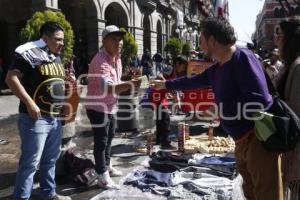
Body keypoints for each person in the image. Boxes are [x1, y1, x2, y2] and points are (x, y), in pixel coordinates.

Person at [151, 17, 283, 200]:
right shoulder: (217, 68)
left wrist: (219, 110)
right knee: (251, 193)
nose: (200, 45)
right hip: (241, 142)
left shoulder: (243, 57)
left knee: (267, 195)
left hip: (258, 141)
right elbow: (192, 81)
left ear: (212, 40)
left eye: (201, 40)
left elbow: (259, 100)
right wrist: (166, 85)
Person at [5, 21, 71, 200]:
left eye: (62, 40)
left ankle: (48, 194)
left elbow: (55, 83)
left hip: (55, 118)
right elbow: (11, 79)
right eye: (58, 39)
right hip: (35, 118)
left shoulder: (55, 56)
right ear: (44, 38)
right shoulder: (29, 53)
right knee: (30, 164)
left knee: (50, 160)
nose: (62, 43)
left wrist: (64, 102)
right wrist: (29, 103)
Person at [85, 25, 140, 189]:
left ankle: (107, 167)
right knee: (101, 142)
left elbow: (115, 82)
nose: (119, 43)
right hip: (97, 107)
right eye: (114, 40)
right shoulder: (100, 61)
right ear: (105, 41)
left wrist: (128, 80)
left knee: (109, 139)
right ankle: (102, 175)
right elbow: (107, 88)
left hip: (111, 105)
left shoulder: (117, 58)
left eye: (120, 40)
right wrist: (130, 84)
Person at [275, 16, 300, 199]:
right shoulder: (291, 66)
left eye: (280, 35)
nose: (277, 40)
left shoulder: (298, 67)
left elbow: (294, 111)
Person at [140, 64, 176, 150]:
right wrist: (168, 86)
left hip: (158, 99)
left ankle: (159, 139)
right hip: (155, 99)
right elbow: (160, 76)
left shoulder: (173, 74)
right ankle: (165, 142)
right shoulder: (167, 72)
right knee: (165, 120)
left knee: (160, 120)